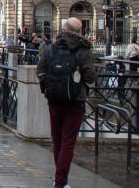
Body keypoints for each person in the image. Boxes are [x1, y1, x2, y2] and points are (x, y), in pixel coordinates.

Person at [37, 17, 96, 188]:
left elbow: (40, 71)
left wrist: (46, 89)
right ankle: (61, 181)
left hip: (54, 100)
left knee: (58, 141)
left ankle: (60, 179)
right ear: (80, 32)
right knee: (68, 141)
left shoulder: (50, 49)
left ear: (63, 28)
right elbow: (91, 78)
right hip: (75, 101)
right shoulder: (83, 50)